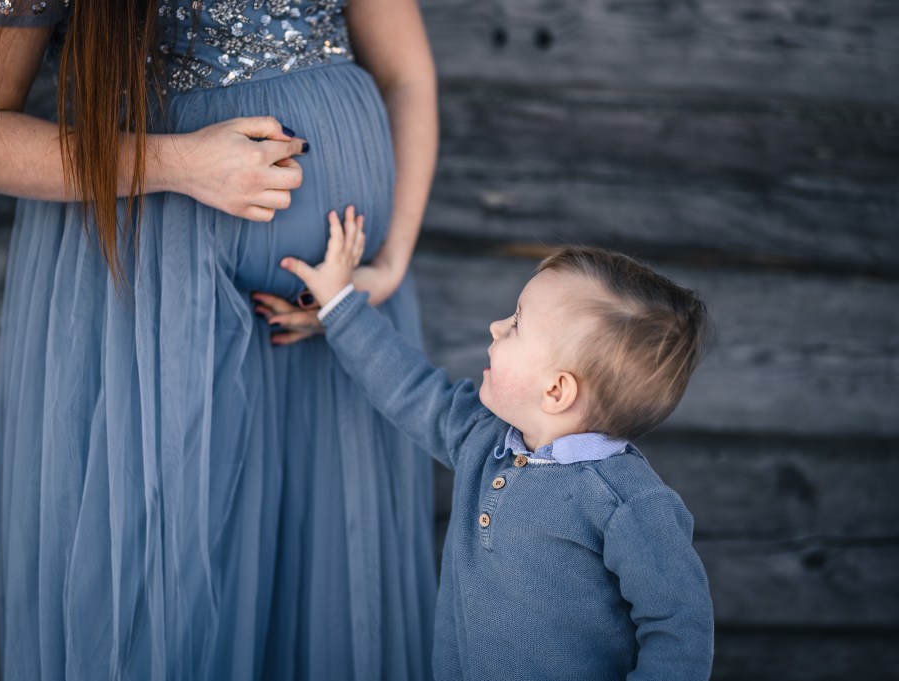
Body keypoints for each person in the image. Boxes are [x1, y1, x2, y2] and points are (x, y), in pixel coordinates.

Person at [0, 1, 438, 679]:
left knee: (331, 603)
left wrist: (390, 260)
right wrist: (177, 164)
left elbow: (405, 73)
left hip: (341, 333)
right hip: (153, 311)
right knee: (168, 614)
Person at [274, 212, 716, 680]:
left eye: (517, 324)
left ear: (556, 391)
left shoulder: (625, 503)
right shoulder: (482, 437)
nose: (495, 326)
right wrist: (341, 305)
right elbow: (407, 387)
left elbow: (679, 627)